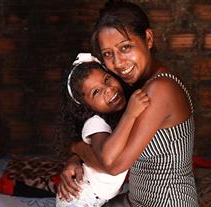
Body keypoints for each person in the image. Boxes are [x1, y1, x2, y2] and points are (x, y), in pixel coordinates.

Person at [57, 1, 199, 206]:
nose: (119, 63)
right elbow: (108, 145)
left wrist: (77, 148)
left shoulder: (161, 88)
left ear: (148, 39)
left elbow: (113, 164)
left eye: (125, 47)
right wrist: (74, 161)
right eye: (108, 54)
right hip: (136, 200)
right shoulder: (133, 87)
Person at [56, 53, 150, 207]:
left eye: (107, 79)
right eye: (96, 92)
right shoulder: (95, 123)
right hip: (79, 199)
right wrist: (130, 114)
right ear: (86, 107)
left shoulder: (113, 117)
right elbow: (107, 158)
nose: (108, 90)